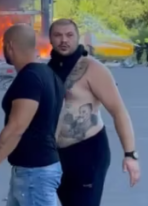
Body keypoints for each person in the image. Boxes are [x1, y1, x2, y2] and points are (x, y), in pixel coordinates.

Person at [48, 19, 141, 206]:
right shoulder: (48, 69)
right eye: (58, 35)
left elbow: (119, 111)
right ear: (50, 39)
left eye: (69, 35)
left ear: (77, 37)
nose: (63, 40)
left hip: (87, 152)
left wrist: (130, 155)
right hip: (56, 154)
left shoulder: (93, 68)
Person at [0, 24, 64, 206]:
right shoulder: (49, 74)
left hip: (34, 175)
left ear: (10, 45)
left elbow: (16, 128)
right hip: (33, 170)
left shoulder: (29, 78)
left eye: (2, 44)